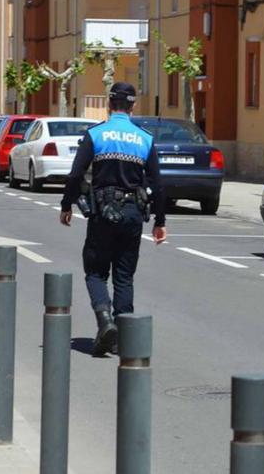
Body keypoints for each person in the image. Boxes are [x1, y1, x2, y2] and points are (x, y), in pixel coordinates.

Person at [59, 82, 167, 356]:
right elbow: (158, 183)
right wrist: (160, 222)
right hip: (133, 213)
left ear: (109, 104)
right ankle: (122, 337)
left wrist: (66, 205)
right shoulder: (144, 138)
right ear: (132, 106)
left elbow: (75, 174)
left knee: (95, 271)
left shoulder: (96, 134)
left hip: (103, 212)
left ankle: (105, 320)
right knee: (124, 275)